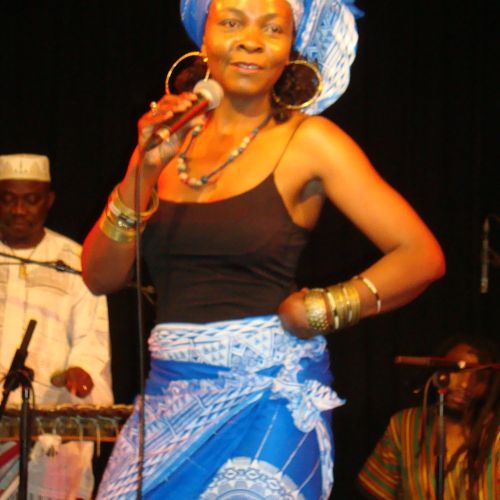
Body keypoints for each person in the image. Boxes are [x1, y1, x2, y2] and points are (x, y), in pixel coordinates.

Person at [82, 0, 445, 498]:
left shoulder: (309, 141)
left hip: (270, 391)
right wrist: (141, 170)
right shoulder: (169, 141)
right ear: (204, 37)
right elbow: (99, 277)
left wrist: (324, 308)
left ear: (291, 48)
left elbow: (420, 254)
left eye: (273, 29)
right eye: (232, 22)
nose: (251, 41)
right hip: (172, 389)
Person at [0, 153, 113, 499]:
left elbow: (92, 336)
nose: (19, 210)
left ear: (48, 201)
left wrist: (81, 369)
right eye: (8, 199)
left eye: (31, 200)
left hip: (49, 427)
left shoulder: (74, 261)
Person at [358, 336, 499, 499]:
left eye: (479, 378)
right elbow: (376, 492)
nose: (465, 384)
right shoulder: (405, 425)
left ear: (490, 385)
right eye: (456, 370)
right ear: (437, 371)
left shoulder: (495, 434)